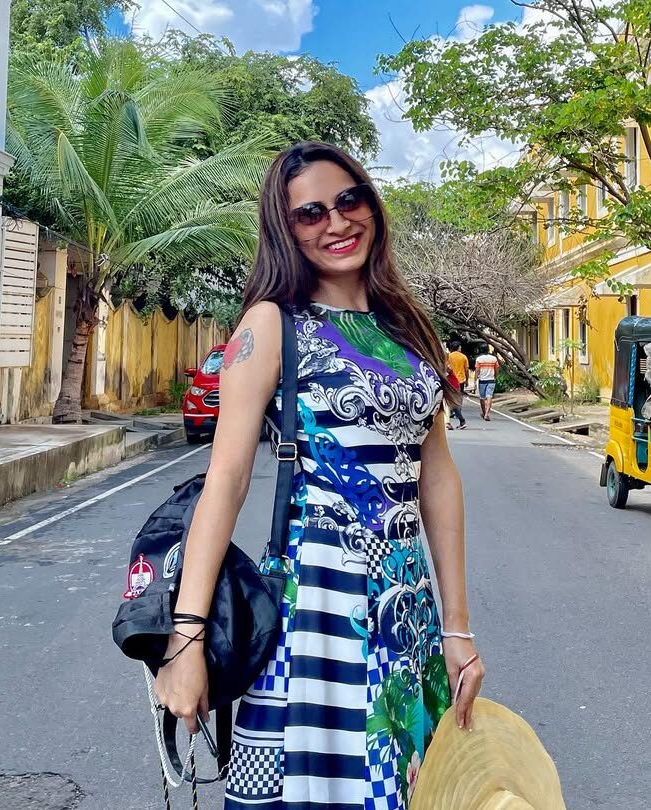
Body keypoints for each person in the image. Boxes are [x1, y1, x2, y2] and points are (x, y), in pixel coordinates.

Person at [152, 142, 485, 810]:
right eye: (310, 214)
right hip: (318, 606)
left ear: (371, 205)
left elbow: (437, 477)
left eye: (348, 200)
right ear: (287, 231)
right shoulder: (272, 325)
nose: (336, 223)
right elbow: (227, 478)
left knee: (408, 788)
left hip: (407, 607)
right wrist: (186, 637)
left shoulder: (406, 327)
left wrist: (457, 628)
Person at [446, 340, 470, 429]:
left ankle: (454, 418)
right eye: (460, 347)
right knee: (458, 398)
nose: (461, 348)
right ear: (458, 347)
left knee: (449, 401)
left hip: (450, 380)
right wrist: (467, 380)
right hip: (460, 380)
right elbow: (466, 370)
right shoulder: (463, 357)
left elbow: (446, 368)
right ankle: (457, 413)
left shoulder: (449, 356)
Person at [474, 343, 500, 421]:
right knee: (489, 396)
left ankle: (484, 412)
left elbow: (477, 370)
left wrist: (475, 379)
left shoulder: (479, 359)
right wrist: (495, 376)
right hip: (491, 380)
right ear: (488, 349)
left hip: (482, 380)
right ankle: (486, 414)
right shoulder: (494, 359)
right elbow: (497, 369)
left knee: (482, 397)